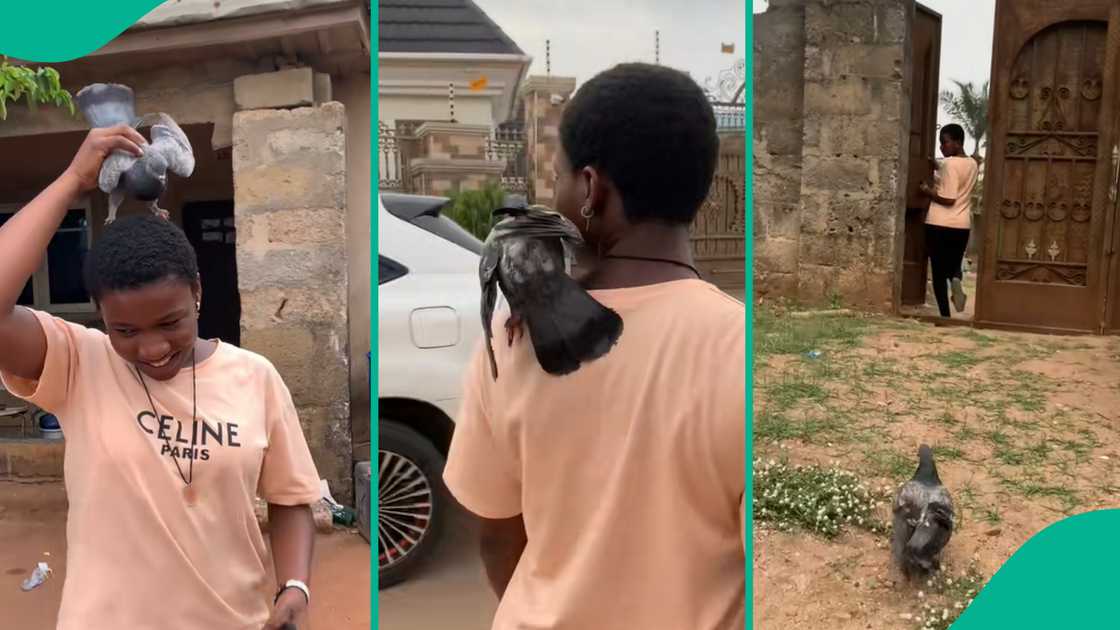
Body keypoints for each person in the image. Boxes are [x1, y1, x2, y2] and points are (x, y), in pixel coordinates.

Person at [443, 63, 746, 629]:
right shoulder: (741, 349)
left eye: (556, 177)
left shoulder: (513, 341)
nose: (549, 196)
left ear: (590, 188)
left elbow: (496, 535)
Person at [0, 125, 321, 629]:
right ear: (99, 315)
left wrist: (295, 586)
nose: (151, 348)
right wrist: (72, 180)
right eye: (124, 329)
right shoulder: (79, 363)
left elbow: (291, 498)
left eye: (170, 323)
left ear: (196, 292)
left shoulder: (254, 377)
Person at [919, 123, 979, 317]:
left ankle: (945, 314)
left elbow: (949, 198)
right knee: (953, 265)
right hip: (961, 226)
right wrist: (936, 164)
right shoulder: (972, 164)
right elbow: (956, 178)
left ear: (957, 142)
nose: (941, 147)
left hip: (939, 224)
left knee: (937, 271)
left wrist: (928, 192)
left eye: (945, 143)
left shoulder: (950, 164)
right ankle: (955, 278)